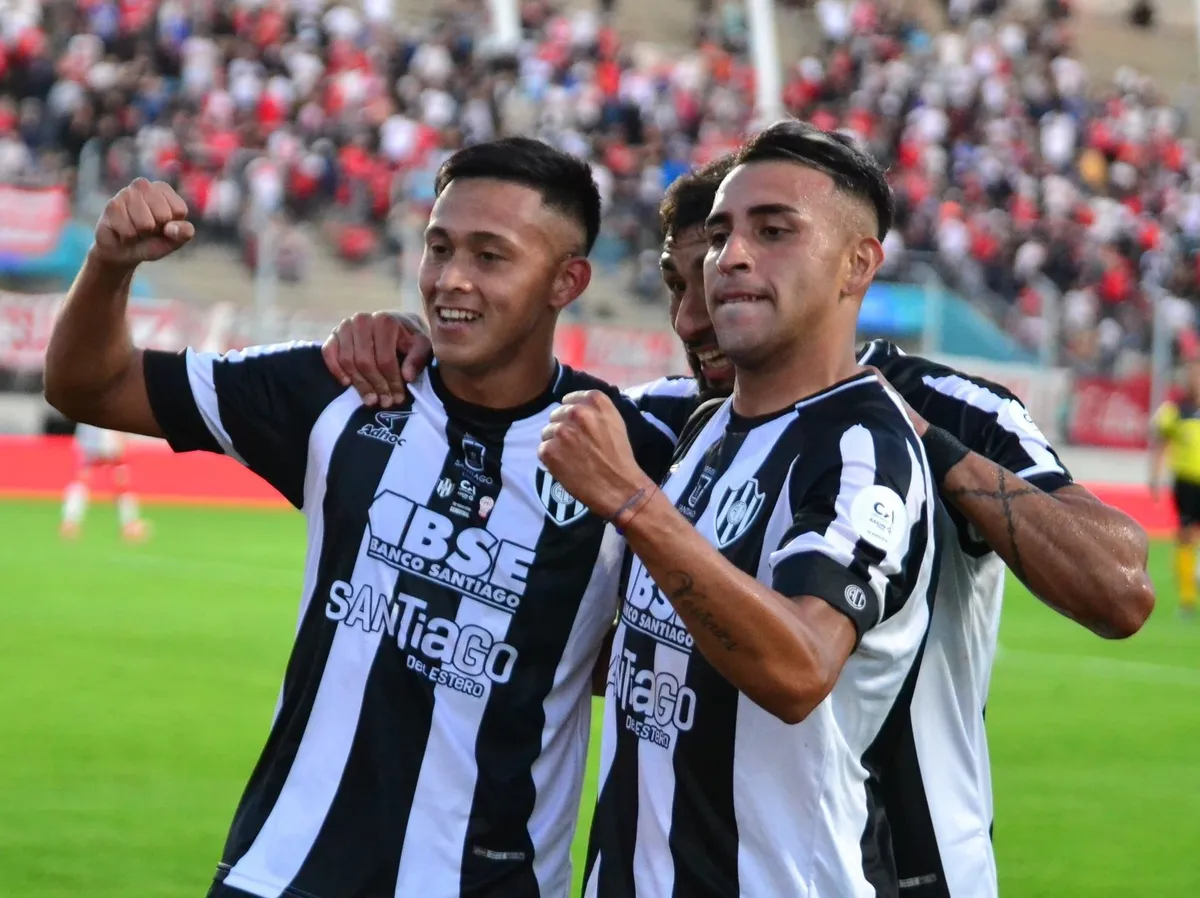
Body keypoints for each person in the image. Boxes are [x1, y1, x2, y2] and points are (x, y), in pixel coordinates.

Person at [324, 138, 1154, 897]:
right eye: (683, 277)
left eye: (759, 242)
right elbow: (513, 409)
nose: (695, 314)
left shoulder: (933, 412)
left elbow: (1118, 588)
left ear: (847, 265)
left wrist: (911, 436)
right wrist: (414, 339)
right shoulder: (693, 426)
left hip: (899, 863)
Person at [42, 138, 696, 898]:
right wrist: (110, 264)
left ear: (567, 280)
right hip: (283, 873)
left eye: (491, 256)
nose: (451, 279)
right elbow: (90, 385)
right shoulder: (346, 389)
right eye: (439, 247)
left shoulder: (634, 450)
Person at [547, 120, 942, 895]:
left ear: (856, 266)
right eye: (723, 234)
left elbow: (799, 668)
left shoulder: (863, 447)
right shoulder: (705, 431)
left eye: (774, 231)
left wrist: (633, 501)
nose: (732, 257)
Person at [1151, 359, 1200, 618]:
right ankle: (1188, 599)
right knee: (1186, 535)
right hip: (1188, 483)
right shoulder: (1177, 410)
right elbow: (1160, 443)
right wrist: (1155, 477)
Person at [60, 423, 149, 541]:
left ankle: (70, 522)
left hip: (91, 438)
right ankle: (130, 524)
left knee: (82, 481)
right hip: (106, 439)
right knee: (122, 485)